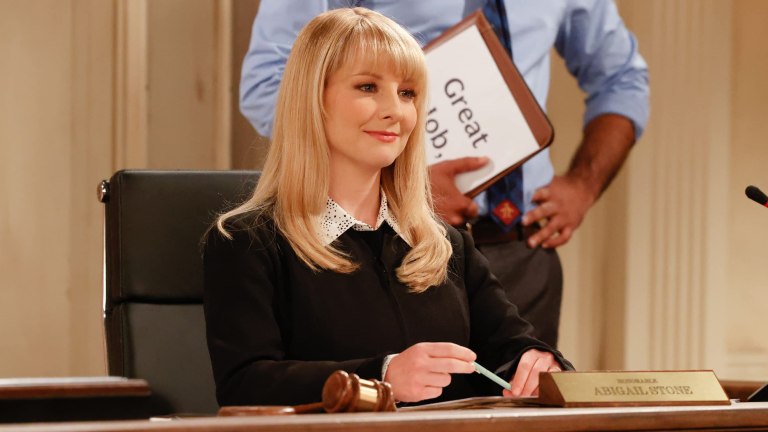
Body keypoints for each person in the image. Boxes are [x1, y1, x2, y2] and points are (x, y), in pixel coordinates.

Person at [204, 7, 571, 407]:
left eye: (407, 93)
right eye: (367, 87)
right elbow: (245, 385)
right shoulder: (247, 242)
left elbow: (515, 349)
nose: (395, 111)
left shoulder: (448, 245)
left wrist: (540, 363)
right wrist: (381, 376)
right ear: (313, 98)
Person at [239, 1, 650, 348]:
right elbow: (271, 81)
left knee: (526, 396)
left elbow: (622, 78)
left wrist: (583, 184)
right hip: (393, 244)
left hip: (522, 250)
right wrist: (405, 179)